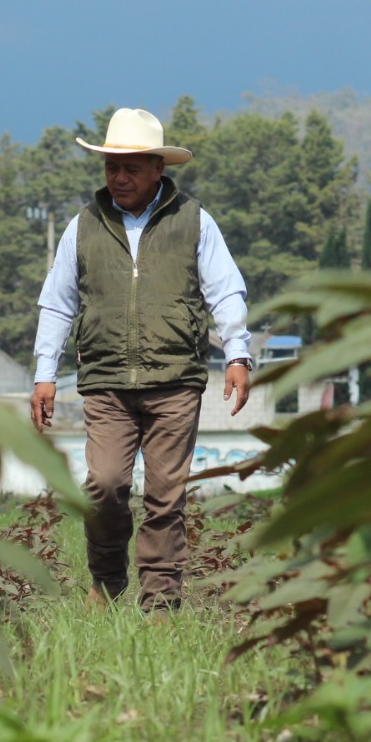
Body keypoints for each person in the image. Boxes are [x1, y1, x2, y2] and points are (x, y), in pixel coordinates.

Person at [30, 107, 253, 612]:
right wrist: (45, 374)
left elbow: (225, 291)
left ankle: (160, 603)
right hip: (106, 381)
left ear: (158, 169)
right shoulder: (83, 226)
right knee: (104, 485)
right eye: (112, 166)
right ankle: (106, 582)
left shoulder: (193, 221)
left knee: (164, 498)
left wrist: (238, 353)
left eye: (131, 167)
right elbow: (57, 301)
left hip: (176, 381)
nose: (119, 177)